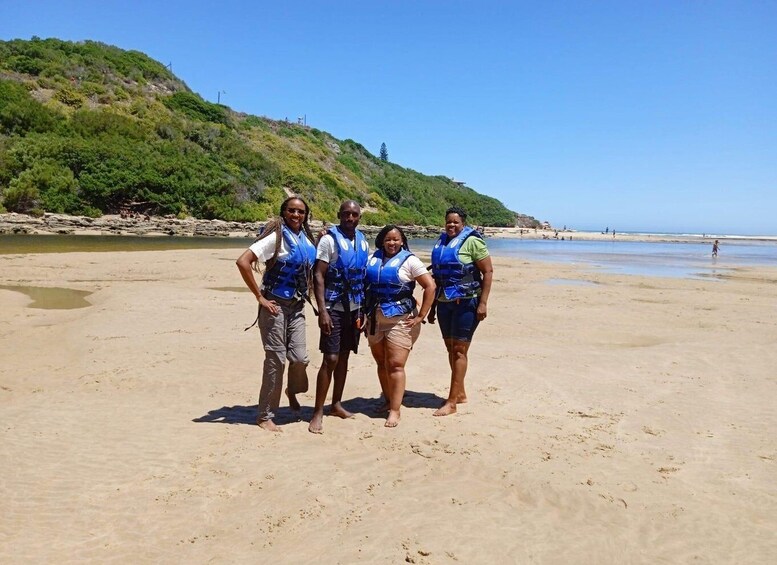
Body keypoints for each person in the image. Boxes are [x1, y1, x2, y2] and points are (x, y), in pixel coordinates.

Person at [235, 196, 317, 432]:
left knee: (300, 358)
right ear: (284, 213)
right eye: (291, 211)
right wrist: (259, 297)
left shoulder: (306, 239)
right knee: (276, 360)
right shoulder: (275, 237)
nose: (296, 215)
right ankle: (265, 415)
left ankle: (292, 390)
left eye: (301, 212)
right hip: (275, 305)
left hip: (297, 305)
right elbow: (243, 262)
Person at [364, 225, 436, 427]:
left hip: (400, 319)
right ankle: (387, 401)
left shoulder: (410, 260)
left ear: (402, 241)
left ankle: (395, 410)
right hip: (375, 319)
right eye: (388, 239)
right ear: (381, 241)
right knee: (381, 363)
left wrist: (421, 316)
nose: (392, 243)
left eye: (396, 239)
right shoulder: (372, 258)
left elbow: (430, 286)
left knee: (395, 365)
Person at [309, 200, 370, 434]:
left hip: (354, 308)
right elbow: (319, 275)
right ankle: (317, 411)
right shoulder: (328, 240)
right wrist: (322, 310)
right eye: (346, 214)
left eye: (355, 215)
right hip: (333, 306)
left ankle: (336, 404)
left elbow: (364, 278)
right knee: (331, 358)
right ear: (339, 215)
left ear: (359, 218)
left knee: (344, 357)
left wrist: (363, 310)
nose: (350, 218)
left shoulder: (363, 241)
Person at [427, 206, 493, 416]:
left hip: (467, 302)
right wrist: (432, 307)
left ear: (463, 223)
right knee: (450, 348)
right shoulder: (442, 241)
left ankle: (452, 401)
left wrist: (483, 303)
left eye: (456, 222)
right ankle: (461, 392)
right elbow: (438, 278)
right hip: (444, 303)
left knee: (459, 350)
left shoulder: (472, 241)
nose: (451, 225)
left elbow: (488, 271)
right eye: (449, 222)